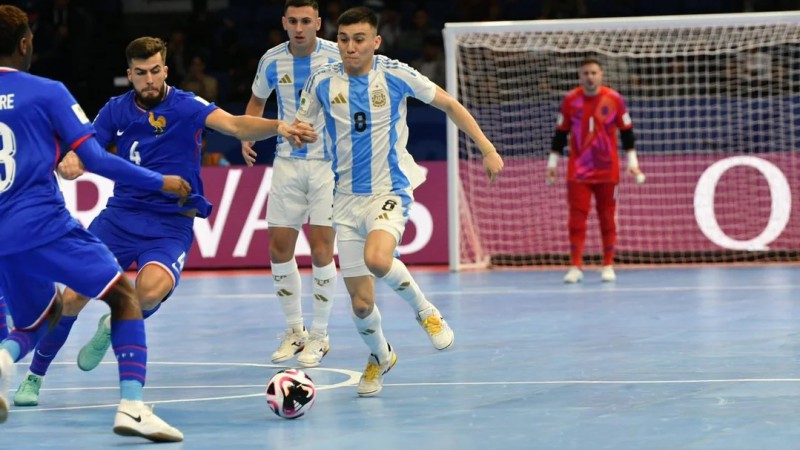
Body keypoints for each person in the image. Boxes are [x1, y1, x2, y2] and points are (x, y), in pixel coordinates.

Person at [11, 36, 315, 407]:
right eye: (141, 73)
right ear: (130, 75)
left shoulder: (186, 106)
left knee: (149, 291)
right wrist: (72, 163)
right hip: (119, 219)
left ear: (166, 70)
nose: (149, 79)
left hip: (170, 223)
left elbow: (235, 125)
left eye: (155, 71)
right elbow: (84, 151)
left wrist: (278, 126)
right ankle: (34, 377)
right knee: (72, 296)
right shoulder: (114, 110)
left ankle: (112, 325)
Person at [0, 5, 192, 440]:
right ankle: (132, 407)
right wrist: (160, 181)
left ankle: (4, 364)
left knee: (37, 320)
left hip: (2, 237)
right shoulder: (47, 91)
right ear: (26, 43)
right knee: (125, 297)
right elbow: (98, 160)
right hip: (43, 227)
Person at [294, 6, 504, 396]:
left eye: (359, 40)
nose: (350, 47)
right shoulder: (321, 80)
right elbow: (302, 124)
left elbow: (450, 105)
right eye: (343, 39)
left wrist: (487, 149)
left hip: (389, 190)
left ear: (376, 41)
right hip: (344, 199)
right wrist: (298, 134)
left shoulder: (394, 74)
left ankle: (426, 312)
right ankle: (380, 356)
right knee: (359, 305)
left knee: (378, 259)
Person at [241, 0, 340, 368]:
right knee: (279, 247)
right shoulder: (271, 60)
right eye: (293, 21)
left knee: (320, 250)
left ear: (318, 22)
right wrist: (247, 134)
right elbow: (256, 101)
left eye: (306, 21)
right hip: (286, 163)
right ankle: (295, 330)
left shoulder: (336, 56)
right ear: (284, 23)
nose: (300, 28)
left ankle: (320, 334)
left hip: (328, 166)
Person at [545, 57, 644, 284]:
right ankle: (575, 266)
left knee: (607, 218)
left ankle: (608, 264)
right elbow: (560, 135)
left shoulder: (614, 99)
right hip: (578, 171)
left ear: (601, 75)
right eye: (586, 73)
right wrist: (552, 165)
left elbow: (627, 131)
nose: (590, 77)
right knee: (576, 220)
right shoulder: (570, 100)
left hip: (608, 170)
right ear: (580, 76)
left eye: (594, 72)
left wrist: (633, 162)